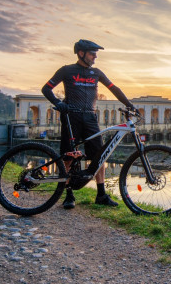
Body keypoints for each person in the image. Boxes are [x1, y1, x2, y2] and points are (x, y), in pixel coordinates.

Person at [41, 39, 137, 209]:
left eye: (96, 54)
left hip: (90, 118)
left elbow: (114, 88)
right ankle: (68, 194)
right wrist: (58, 102)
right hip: (72, 117)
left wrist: (129, 104)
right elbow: (46, 88)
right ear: (81, 53)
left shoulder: (97, 73)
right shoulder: (67, 70)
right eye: (92, 54)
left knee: (100, 156)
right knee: (69, 156)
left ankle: (101, 194)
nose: (95, 57)